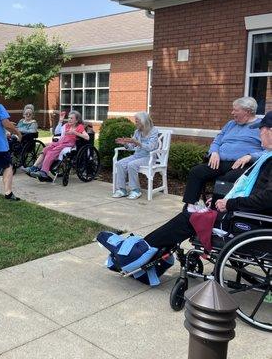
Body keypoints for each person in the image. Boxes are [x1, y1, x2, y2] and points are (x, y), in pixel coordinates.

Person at [144, 111, 272, 249]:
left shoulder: (268, 160)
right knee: (198, 177)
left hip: (250, 220)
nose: (259, 134)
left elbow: (267, 198)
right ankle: (143, 250)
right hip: (249, 213)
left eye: (261, 130)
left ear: (270, 132)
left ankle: (139, 249)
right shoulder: (267, 157)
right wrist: (224, 198)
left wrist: (229, 203)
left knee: (190, 218)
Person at [182, 97, 264, 205]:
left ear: (247, 111)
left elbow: (268, 151)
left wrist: (250, 156)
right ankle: (190, 206)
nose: (232, 112)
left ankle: (216, 210)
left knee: (226, 180)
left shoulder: (262, 126)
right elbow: (216, 141)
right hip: (220, 162)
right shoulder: (231, 124)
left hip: (243, 165)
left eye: (235, 110)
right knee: (196, 171)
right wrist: (214, 152)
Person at [26, 110, 89, 182]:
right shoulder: (66, 125)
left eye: (71, 118)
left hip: (68, 144)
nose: (69, 119)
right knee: (46, 149)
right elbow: (56, 132)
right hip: (61, 142)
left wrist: (75, 132)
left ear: (77, 120)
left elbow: (87, 137)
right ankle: (34, 167)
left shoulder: (79, 127)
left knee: (51, 152)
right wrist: (60, 121)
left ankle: (44, 172)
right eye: (68, 118)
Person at [112, 112, 159, 200]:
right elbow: (131, 147)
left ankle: (136, 190)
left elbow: (151, 147)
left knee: (132, 164)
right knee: (119, 164)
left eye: (137, 121)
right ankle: (122, 190)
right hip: (137, 156)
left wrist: (138, 143)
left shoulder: (153, 131)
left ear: (143, 122)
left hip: (149, 157)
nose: (135, 123)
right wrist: (125, 144)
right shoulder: (137, 132)